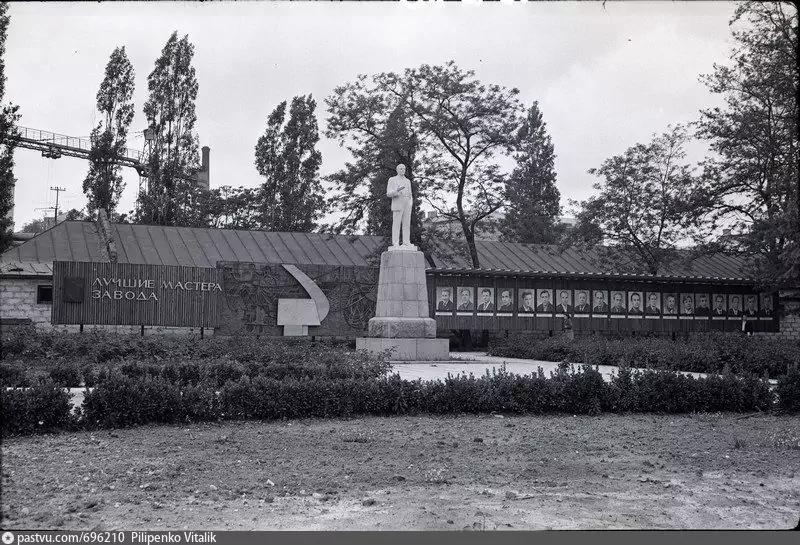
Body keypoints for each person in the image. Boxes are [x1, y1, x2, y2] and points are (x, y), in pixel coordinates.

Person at [386, 164, 413, 248]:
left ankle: (406, 241)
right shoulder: (392, 180)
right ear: (397, 170)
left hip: (407, 203)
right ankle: (396, 242)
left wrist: (410, 202)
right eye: (401, 169)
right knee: (396, 223)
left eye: (404, 169)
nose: (403, 170)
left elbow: (410, 193)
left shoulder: (408, 181)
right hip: (398, 202)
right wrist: (396, 191)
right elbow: (388, 193)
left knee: (406, 223)